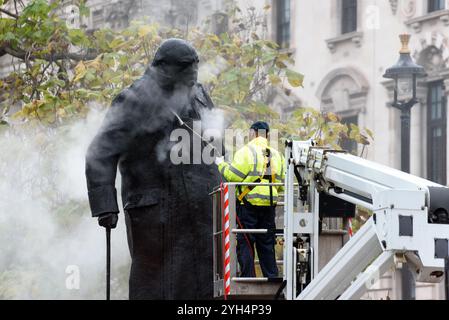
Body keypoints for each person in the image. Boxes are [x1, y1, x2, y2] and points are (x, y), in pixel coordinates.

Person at [85, 38, 221, 299]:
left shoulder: (200, 95)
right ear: (167, 70)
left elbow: (215, 145)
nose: (191, 85)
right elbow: (100, 151)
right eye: (186, 80)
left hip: (201, 210)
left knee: (203, 283)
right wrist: (105, 205)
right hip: (156, 214)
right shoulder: (132, 100)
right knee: (156, 284)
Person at [216, 121, 284, 278]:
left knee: (246, 241)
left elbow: (233, 176)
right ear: (266, 134)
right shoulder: (277, 155)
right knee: (267, 244)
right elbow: (281, 185)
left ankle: (248, 276)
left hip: (248, 205)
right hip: (269, 207)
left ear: (253, 133)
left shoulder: (246, 152)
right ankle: (272, 276)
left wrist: (221, 165)